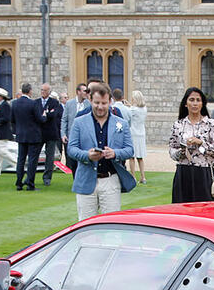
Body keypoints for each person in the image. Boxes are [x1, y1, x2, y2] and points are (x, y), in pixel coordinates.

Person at [67, 82, 134, 220]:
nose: (100, 107)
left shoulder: (121, 123)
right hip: (86, 179)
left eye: (104, 103)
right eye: (97, 102)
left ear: (110, 101)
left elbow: (129, 149)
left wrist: (115, 153)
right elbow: (71, 149)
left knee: (111, 226)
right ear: (90, 100)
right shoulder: (79, 122)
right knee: (85, 226)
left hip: (110, 180)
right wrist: (87, 155)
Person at [168, 87, 214, 203]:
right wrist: (182, 151)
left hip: (204, 173)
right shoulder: (178, 125)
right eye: (191, 100)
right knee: (181, 211)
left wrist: (201, 143)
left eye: (198, 100)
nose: (195, 103)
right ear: (185, 104)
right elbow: (172, 149)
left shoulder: (211, 125)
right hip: (183, 172)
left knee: (204, 211)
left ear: (202, 104)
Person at [12, 82, 41, 190]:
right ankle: (30, 183)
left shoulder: (15, 103)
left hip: (21, 135)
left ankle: (19, 183)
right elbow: (39, 119)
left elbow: (12, 119)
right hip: (33, 136)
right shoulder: (33, 104)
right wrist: (44, 116)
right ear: (30, 91)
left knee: (21, 160)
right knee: (32, 161)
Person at [59, 82, 90, 170]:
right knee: (72, 161)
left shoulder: (89, 104)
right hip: (71, 136)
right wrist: (63, 134)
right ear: (78, 92)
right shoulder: (69, 104)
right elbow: (64, 120)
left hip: (85, 136)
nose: (86, 93)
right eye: (84, 91)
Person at [37, 83, 62, 186]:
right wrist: (45, 114)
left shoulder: (54, 102)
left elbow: (54, 115)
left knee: (49, 156)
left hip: (51, 133)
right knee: (35, 155)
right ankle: (31, 176)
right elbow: (36, 115)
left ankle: (47, 177)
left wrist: (45, 114)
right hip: (39, 132)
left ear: (49, 92)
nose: (43, 92)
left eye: (45, 90)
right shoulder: (37, 102)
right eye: (42, 90)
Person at [127, 90, 149, 184]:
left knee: (132, 156)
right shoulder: (144, 109)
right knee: (140, 157)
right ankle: (143, 177)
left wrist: (127, 106)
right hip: (141, 133)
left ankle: (133, 176)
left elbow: (129, 113)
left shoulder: (133, 110)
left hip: (133, 133)